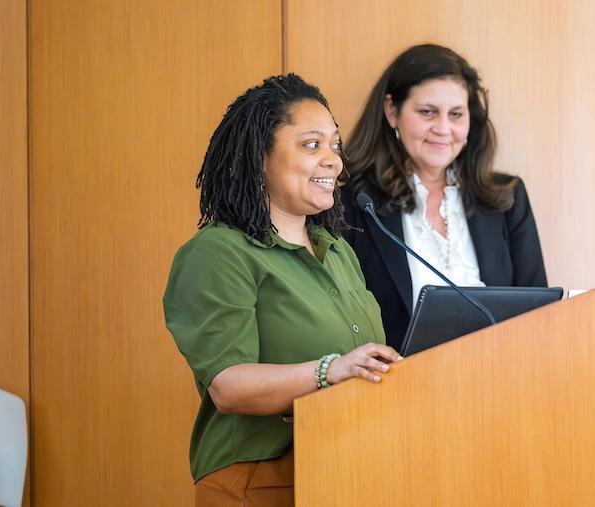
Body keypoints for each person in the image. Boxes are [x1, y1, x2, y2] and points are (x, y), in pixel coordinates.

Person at [163, 74, 401, 506]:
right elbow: (228, 386)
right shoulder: (219, 252)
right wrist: (331, 370)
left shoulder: (339, 252)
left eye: (335, 146)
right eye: (312, 145)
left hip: (346, 470)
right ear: (259, 157)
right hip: (260, 479)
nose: (333, 162)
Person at [342, 44, 547, 349]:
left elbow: (539, 313)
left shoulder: (508, 197)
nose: (443, 128)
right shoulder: (355, 204)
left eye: (456, 114)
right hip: (398, 376)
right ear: (392, 111)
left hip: (500, 371)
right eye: (427, 112)